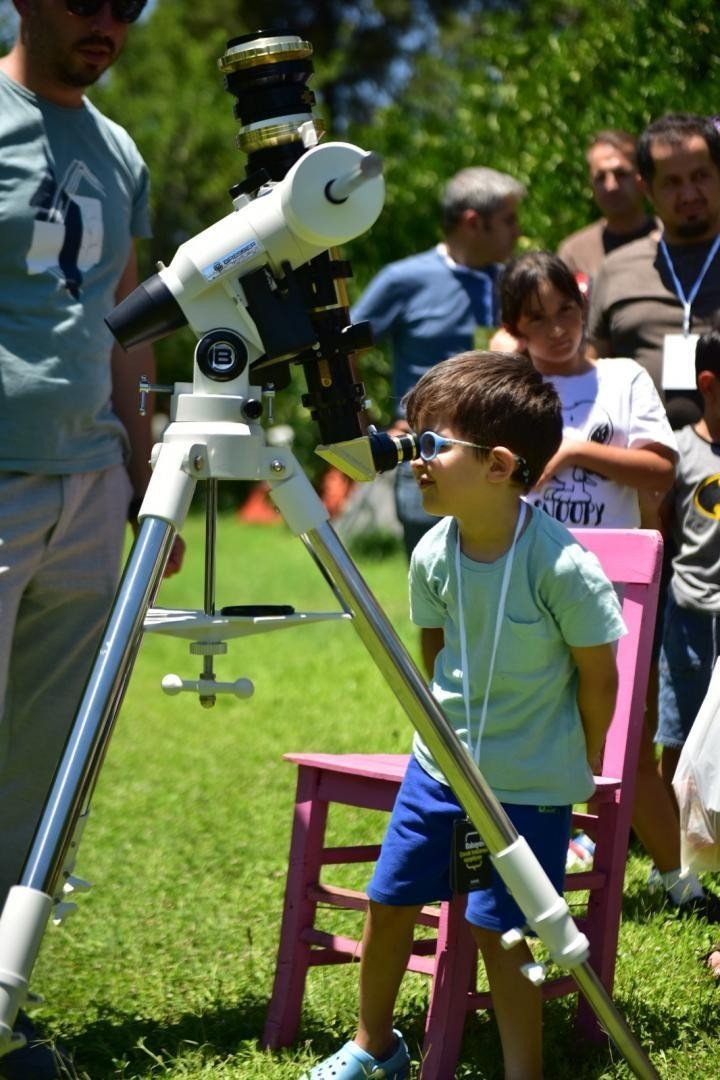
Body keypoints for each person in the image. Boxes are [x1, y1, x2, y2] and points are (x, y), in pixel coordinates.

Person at [303, 351, 626, 1080]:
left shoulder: (561, 566)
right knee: (389, 902)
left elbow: (597, 676)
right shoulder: (431, 553)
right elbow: (435, 651)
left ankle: (523, 1071)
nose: (413, 459)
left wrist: (582, 757)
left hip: (527, 785)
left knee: (503, 933)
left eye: (431, 443)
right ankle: (374, 1045)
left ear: (499, 465)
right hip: (440, 772)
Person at [0, 2, 184, 1075]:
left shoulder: (118, 149)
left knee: (43, 769)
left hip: (90, 486)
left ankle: (5, 1005)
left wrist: (144, 471)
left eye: (130, 4)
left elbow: (125, 319)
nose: (111, 21)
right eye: (88, 0)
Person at [499, 250, 720, 921]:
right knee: (529, 734)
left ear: (584, 308)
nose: (557, 330)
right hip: (524, 584)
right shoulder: (505, 389)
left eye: (567, 312)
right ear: (514, 326)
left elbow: (658, 471)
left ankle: (680, 883)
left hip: (615, 588)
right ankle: (528, 878)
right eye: (537, 319)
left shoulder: (622, 378)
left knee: (628, 740)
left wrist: (570, 449)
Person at [351, 166, 525, 559]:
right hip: (428, 460)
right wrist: (367, 432)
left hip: (500, 463)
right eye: (508, 220)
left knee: (504, 585)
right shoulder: (404, 279)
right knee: (433, 586)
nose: (518, 232)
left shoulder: (514, 282)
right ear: (473, 222)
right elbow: (343, 353)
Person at [588, 113, 720, 431]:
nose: (689, 194)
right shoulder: (616, 269)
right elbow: (588, 372)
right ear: (646, 188)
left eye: (700, 176)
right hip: (643, 455)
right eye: (672, 183)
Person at [657, 329, 720, 797]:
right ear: (709, 385)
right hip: (690, 617)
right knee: (680, 733)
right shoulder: (678, 451)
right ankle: (672, 829)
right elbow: (662, 525)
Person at [558, 129, 656, 285]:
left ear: (642, 178)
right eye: (600, 177)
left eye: (621, 174)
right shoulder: (575, 254)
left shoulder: (669, 238)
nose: (611, 186)